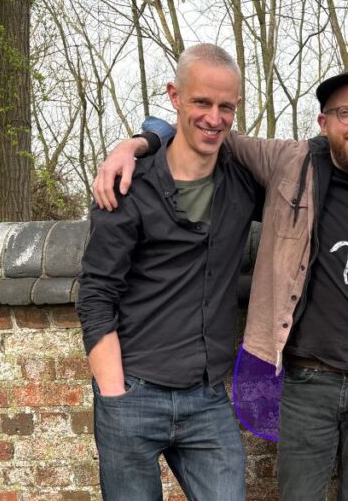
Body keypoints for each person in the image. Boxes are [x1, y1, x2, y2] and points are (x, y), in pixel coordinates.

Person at [92, 71, 348, 500]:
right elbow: (207, 129)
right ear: (323, 121)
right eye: (344, 113)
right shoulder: (288, 163)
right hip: (309, 379)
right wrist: (139, 141)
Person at [76, 44, 258, 499]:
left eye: (226, 107)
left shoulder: (243, 183)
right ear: (175, 95)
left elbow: (312, 171)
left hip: (207, 399)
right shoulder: (129, 185)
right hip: (133, 392)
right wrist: (114, 394)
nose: (214, 118)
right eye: (201, 102)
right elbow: (96, 294)